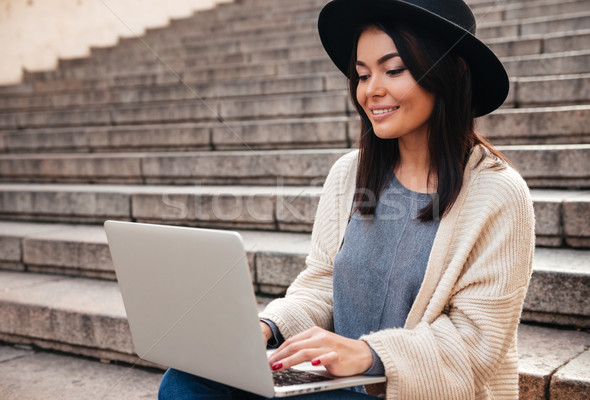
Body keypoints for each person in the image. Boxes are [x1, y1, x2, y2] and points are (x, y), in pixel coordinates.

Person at [158, 0, 535, 398]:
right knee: (186, 380)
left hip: (407, 391)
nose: (371, 90)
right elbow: (321, 285)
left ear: (452, 71)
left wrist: (370, 354)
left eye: (394, 70)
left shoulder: (498, 193)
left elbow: (476, 344)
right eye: (362, 74)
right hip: (335, 382)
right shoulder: (348, 174)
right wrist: (267, 327)